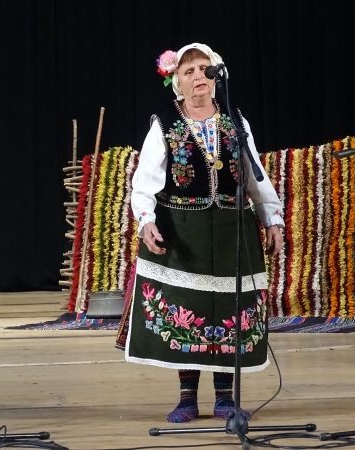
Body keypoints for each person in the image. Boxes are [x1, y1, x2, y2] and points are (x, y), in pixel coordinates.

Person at [123, 43, 285, 423]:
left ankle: (226, 397)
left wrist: (272, 219)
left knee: (229, 308)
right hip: (183, 232)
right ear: (177, 82)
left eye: (204, 68)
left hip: (232, 231)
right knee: (189, 309)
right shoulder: (165, 123)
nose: (198, 76)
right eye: (189, 71)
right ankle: (187, 398)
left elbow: (255, 175)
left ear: (216, 75)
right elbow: (144, 182)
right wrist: (146, 220)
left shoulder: (236, 121)